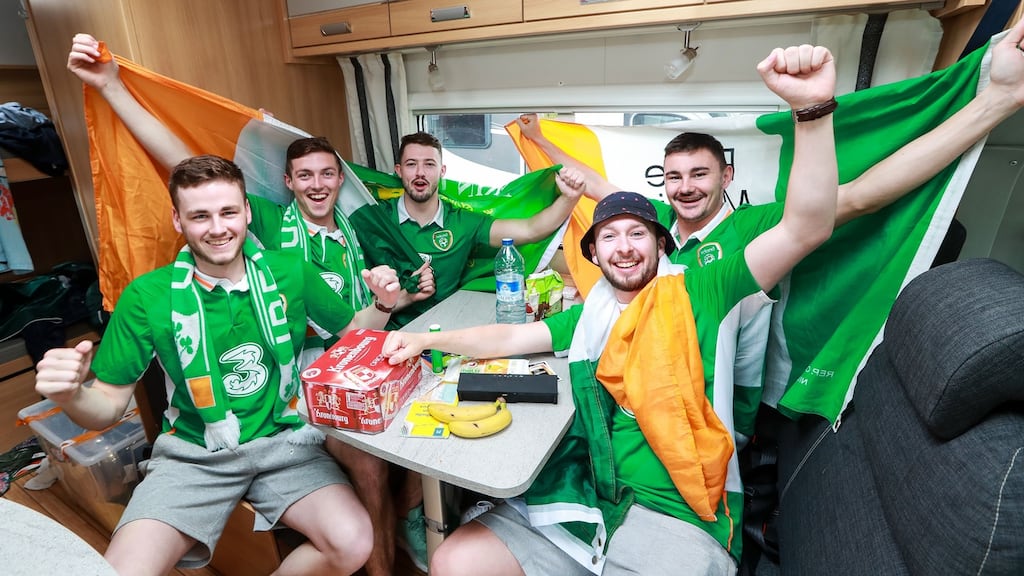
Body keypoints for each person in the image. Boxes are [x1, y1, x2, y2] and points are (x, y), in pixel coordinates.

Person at [381, 43, 838, 576]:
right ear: (594, 253)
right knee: (455, 559)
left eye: (637, 234)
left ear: (661, 245)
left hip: (676, 510)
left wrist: (810, 112)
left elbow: (808, 225)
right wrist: (423, 340)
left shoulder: (703, 290)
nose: (623, 246)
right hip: (589, 486)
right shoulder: (592, 312)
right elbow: (507, 340)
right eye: (609, 236)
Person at [513, 15, 1024, 425]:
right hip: (643, 379)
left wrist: (995, 102)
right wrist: (537, 139)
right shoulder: (653, 229)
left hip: (716, 400)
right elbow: (596, 186)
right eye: (673, 177)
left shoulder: (757, 226)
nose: (684, 187)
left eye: (699, 174)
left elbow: (864, 196)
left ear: (727, 175)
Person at [33, 155, 404, 575]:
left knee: (353, 542)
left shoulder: (290, 271)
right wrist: (71, 395)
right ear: (178, 220)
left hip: (286, 441)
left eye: (228, 211)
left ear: (246, 211)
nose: (217, 228)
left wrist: (382, 303)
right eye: (199, 216)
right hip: (195, 452)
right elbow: (107, 406)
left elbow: (356, 330)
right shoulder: (147, 296)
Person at [66, 33, 435, 365]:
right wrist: (111, 86)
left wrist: (401, 297)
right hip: (302, 358)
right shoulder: (267, 218)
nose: (317, 185)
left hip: (360, 340)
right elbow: (185, 165)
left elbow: (360, 312)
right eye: (305, 175)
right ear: (288, 181)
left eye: (326, 174)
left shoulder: (357, 223)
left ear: (341, 179)